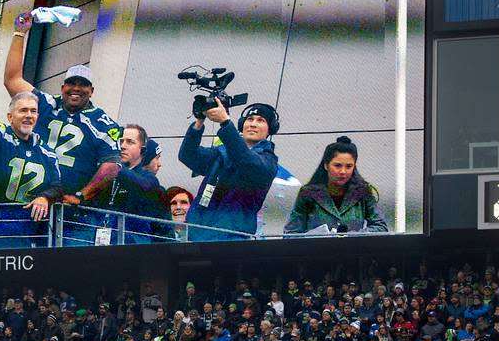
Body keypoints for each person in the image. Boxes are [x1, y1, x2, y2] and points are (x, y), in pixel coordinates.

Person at [4, 20, 121, 246]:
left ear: (92, 91)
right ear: (62, 87)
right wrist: (19, 33)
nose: (76, 88)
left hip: (66, 213)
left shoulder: (103, 123)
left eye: (83, 84)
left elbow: (112, 166)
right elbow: (12, 80)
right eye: (71, 83)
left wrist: (81, 195)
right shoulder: (46, 103)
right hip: (29, 201)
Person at [0, 61, 63, 248]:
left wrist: (45, 197)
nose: (29, 115)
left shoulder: (47, 153)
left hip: (23, 237)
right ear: (10, 116)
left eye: (33, 111)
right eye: (23, 110)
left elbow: (57, 186)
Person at [178, 99, 279, 241]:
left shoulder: (268, 161)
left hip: (231, 240)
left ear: (271, 129)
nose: (253, 124)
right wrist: (199, 121)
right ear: (242, 124)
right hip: (197, 234)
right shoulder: (221, 153)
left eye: (261, 120)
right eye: (249, 119)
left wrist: (225, 123)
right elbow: (187, 155)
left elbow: (245, 160)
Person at [284, 136, 387, 235]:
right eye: (337, 166)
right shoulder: (308, 193)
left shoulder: (363, 191)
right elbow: (291, 233)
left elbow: (381, 227)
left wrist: (352, 237)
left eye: (349, 166)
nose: (343, 171)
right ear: (326, 165)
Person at [108, 126, 171, 243]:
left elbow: (145, 186)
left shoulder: (149, 180)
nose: (122, 146)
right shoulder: (109, 174)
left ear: (142, 150)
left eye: (130, 142)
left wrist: (115, 164)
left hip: (135, 248)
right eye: (121, 141)